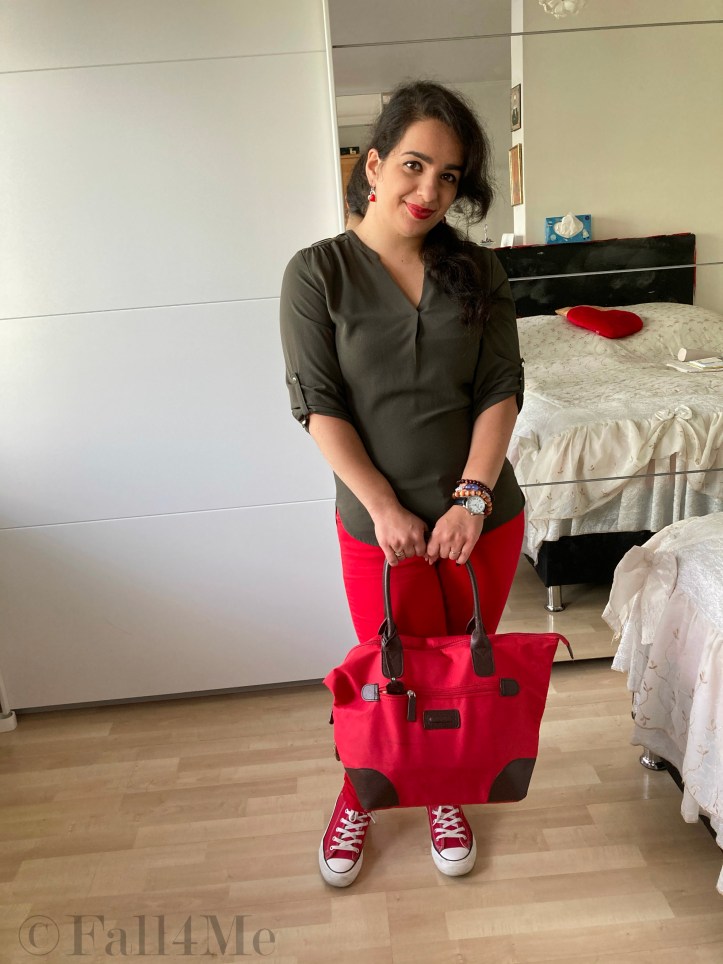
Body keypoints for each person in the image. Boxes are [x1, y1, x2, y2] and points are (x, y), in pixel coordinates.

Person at [280, 81, 525, 888]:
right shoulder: (317, 274)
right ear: (374, 165)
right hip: (376, 528)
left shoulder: (478, 271)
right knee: (388, 676)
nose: (429, 190)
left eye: (448, 176)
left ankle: (441, 790)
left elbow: (500, 388)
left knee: (454, 670)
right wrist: (383, 507)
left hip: (483, 520)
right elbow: (317, 404)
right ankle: (360, 792)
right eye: (414, 165)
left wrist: (471, 499)